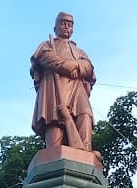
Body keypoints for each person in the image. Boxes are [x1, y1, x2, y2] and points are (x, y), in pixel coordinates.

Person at [30, 12, 95, 151]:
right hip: (53, 89)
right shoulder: (47, 45)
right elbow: (46, 58)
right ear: (55, 27)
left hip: (77, 89)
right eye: (63, 23)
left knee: (85, 114)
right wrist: (71, 66)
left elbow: (88, 68)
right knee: (54, 122)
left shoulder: (80, 51)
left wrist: (78, 66)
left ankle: (85, 149)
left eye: (70, 24)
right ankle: (54, 153)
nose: (66, 26)